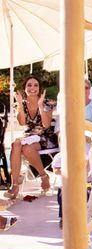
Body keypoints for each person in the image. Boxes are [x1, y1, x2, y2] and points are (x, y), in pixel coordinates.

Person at [4, 76, 57, 204]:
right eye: (29, 85)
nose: (32, 88)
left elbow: (46, 124)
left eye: (35, 85)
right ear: (24, 88)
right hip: (30, 136)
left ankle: (44, 177)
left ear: (39, 88)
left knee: (26, 147)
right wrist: (21, 106)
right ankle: (15, 185)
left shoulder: (48, 102)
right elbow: (22, 123)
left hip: (46, 136)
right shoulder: (21, 103)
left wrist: (40, 105)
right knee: (16, 144)